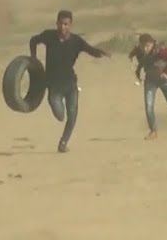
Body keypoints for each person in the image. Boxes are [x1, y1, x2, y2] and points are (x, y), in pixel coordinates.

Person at [29, 10, 111, 153]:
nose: (63, 27)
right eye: (60, 24)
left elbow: (90, 50)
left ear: (71, 25)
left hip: (70, 85)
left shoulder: (76, 41)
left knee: (72, 115)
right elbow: (33, 40)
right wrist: (33, 58)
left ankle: (63, 143)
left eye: (66, 24)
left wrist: (101, 52)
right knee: (60, 115)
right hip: (54, 86)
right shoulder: (49, 36)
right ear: (56, 23)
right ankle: (54, 107)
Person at [133, 33, 167, 140]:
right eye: (143, 46)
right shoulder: (140, 52)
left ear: (152, 44)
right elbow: (141, 62)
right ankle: (153, 131)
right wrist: (138, 72)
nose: (145, 48)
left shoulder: (161, 51)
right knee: (149, 106)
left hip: (166, 81)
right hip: (150, 81)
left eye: (147, 46)